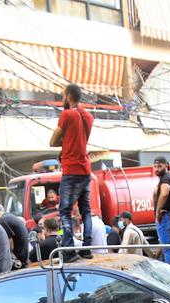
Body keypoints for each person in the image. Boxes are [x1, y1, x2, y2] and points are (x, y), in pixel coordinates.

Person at [50, 83, 94, 247]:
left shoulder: (67, 115)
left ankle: (69, 248)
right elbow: (81, 140)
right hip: (86, 169)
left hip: (71, 169)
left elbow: (53, 141)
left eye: (63, 96)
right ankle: (87, 247)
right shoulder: (88, 117)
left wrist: (65, 141)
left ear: (68, 96)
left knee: (65, 211)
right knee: (86, 211)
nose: (62, 99)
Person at [152, 158, 170, 267]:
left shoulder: (166, 179)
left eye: (159, 166)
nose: (157, 169)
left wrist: (158, 211)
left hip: (166, 216)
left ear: (166, 165)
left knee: (168, 248)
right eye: (155, 166)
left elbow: (164, 193)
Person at [0, 202, 30, 268]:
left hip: (18, 261)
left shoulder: (2, 221)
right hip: (24, 257)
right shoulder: (8, 216)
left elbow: (10, 247)